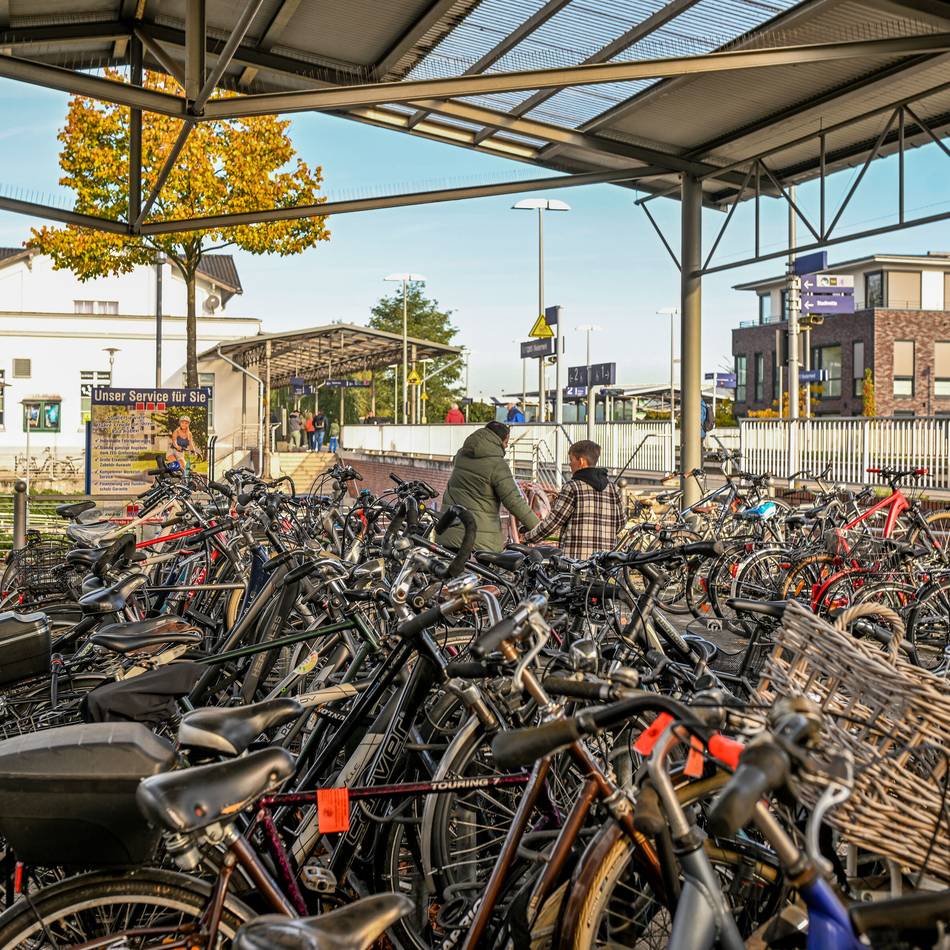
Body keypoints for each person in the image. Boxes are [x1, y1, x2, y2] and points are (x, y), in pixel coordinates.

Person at [438, 421, 539, 552]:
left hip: (449, 530)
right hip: (478, 538)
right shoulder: (497, 465)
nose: (506, 446)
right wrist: (538, 527)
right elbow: (514, 501)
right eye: (506, 442)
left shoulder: (461, 455)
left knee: (451, 565)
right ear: (500, 440)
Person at [522, 439, 623, 560]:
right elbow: (620, 523)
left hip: (577, 561)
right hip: (605, 561)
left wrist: (527, 537)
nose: (569, 465)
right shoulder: (613, 489)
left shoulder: (572, 487)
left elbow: (554, 522)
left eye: (571, 460)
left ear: (581, 461)